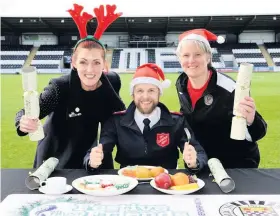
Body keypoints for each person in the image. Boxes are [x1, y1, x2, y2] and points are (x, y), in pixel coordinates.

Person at [14, 3, 126, 169]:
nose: (90, 70)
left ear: (105, 64)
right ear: (73, 63)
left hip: (89, 156)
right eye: (83, 62)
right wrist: (22, 123)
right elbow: (25, 112)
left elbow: (118, 115)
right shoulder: (59, 87)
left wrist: (104, 83)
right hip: (54, 159)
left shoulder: (112, 81)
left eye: (96, 62)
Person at [84, 63, 208, 172]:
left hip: (167, 184)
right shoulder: (116, 121)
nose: (145, 97)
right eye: (140, 91)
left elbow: (198, 151)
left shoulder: (177, 121)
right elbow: (98, 149)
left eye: (151, 91)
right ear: (133, 94)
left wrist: (194, 162)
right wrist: (92, 160)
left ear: (159, 93)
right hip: (129, 182)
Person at [175, 28, 267, 168]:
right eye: (186, 55)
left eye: (197, 54)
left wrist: (251, 120)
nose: (191, 60)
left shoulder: (229, 89)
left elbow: (258, 132)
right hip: (204, 162)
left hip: (236, 164)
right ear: (179, 58)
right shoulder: (181, 84)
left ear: (208, 57)